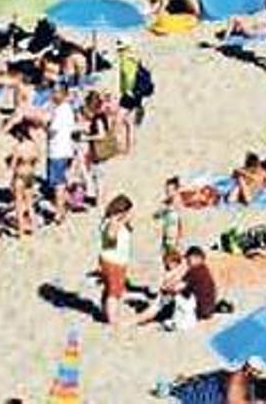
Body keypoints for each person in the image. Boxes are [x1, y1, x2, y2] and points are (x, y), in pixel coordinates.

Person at [98, 194, 134, 326]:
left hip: (116, 260)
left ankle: (105, 312)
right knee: (114, 291)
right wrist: (119, 222)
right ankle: (112, 319)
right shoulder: (112, 223)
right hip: (113, 261)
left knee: (110, 288)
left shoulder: (113, 222)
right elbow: (110, 239)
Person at [129, 248, 188, 326]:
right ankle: (135, 320)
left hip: (170, 301)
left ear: (176, 262)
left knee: (152, 309)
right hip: (164, 299)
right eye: (167, 263)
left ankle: (135, 320)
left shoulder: (179, 271)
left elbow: (174, 286)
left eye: (171, 263)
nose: (169, 265)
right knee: (150, 307)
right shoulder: (171, 272)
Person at [45, 85, 77, 225]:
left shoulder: (61, 110)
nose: (53, 95)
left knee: (58, 183)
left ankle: (60, 212)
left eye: (55, 93)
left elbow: (53, 130)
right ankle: (67, 205)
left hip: (58, 150)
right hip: (65, 149)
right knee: (62, 181)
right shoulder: (67, 109)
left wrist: (45, 125)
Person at [80, 91, 114, 204]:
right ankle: (100, 198)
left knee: (98, 176)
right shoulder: (102, 116)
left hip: (99, 151)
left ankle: (99, 200)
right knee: (100, 176)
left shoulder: (98, 118)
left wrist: (87, 138)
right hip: (102, 150)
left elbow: (101, 135)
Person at [7, 123, 39, 237]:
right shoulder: (33, 145)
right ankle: (34, 228)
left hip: (20, 176)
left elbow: (12, 166)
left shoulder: (18, 148)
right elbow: (36, 160)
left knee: (19, 204)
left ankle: (21, 231)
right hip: (30, 175)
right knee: (30, 204)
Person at [181, 246, 218, 320]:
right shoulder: (204, 269)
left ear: (198, 258)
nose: (187, 261)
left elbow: (185, 287)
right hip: (209, 308)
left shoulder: (195, 271)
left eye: (189, 259)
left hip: (200, 309)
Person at [116, 39, 140, 153]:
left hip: (129, 94)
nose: (118, 50)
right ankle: (129, 148)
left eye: (119, 48)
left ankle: (120, 146)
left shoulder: (125, 59)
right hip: (137, 93)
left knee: (118, 120)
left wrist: (128, 90)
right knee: (129, 122)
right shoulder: (134, 57)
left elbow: (128, 75)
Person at [155, 176, 183, 253]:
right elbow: (157, 216)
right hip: (166, 236)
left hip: (174, 238)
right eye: (167, 190)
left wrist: (178, 240)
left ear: (176, 190)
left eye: (170, 190)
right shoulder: (166, 203)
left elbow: (180, 223)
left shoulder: (179, 203)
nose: (168, 193)